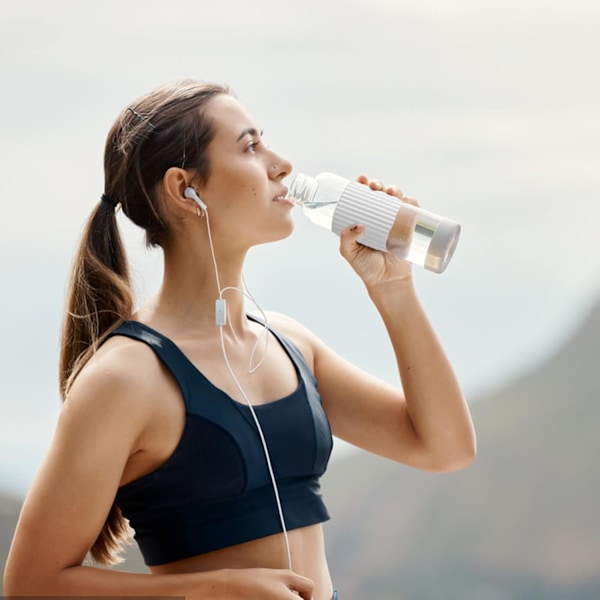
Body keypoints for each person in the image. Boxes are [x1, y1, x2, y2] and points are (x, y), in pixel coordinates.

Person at [4, 79, 476, 599]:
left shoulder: (289, 343)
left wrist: (394, 291)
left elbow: (444, 448)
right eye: (251, 147)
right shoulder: (125, 377)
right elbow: (31, 584)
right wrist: (212, 589)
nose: (281, 165)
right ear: (186, 188)